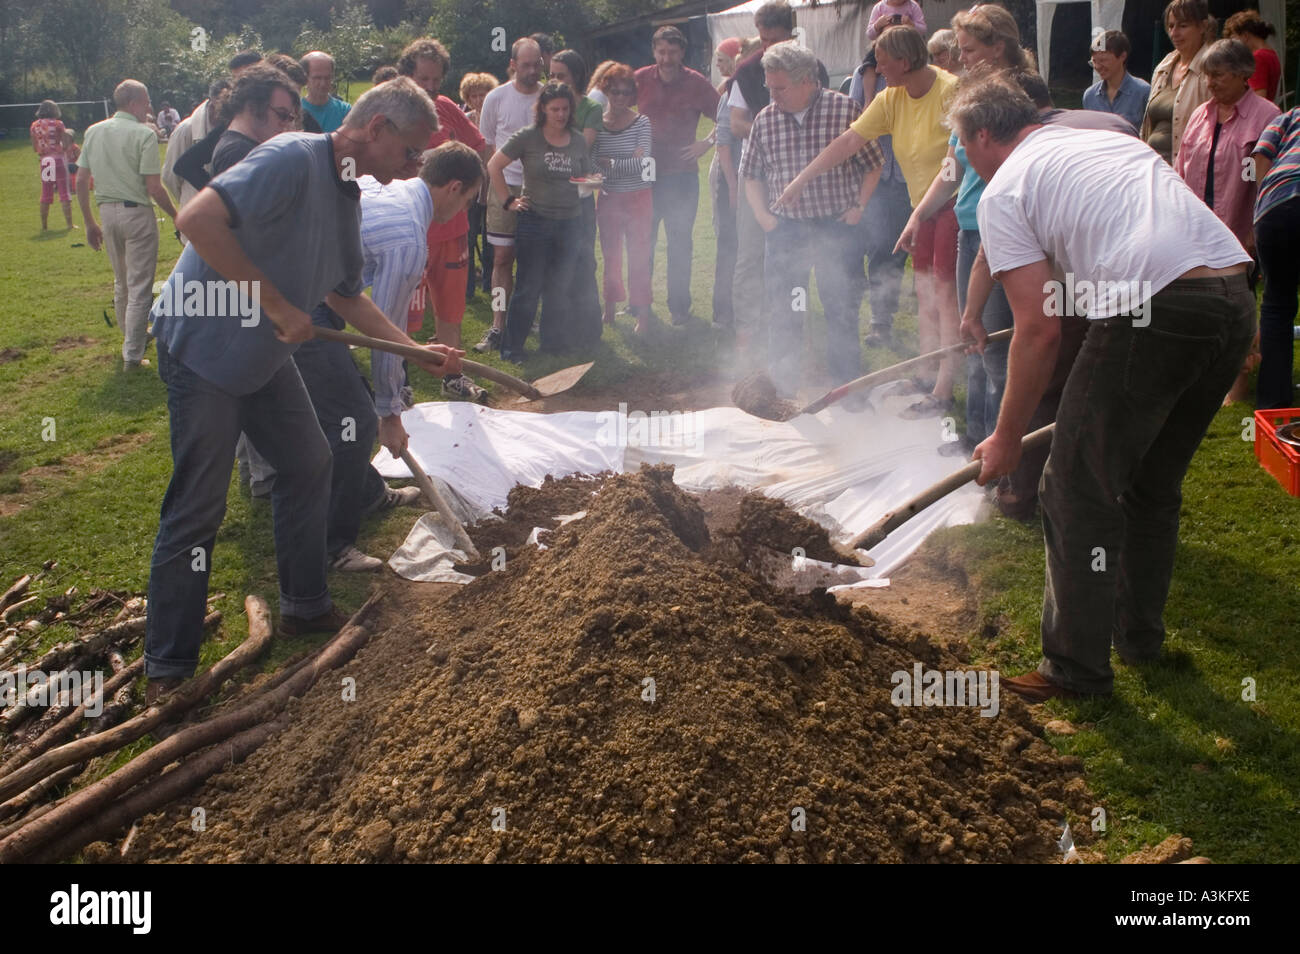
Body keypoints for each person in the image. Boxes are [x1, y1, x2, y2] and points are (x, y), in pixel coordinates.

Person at [143, 79, 463, 699]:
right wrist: (275, 302)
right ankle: (169, 666)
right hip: (205, 349)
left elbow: (346, 295)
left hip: (265, 353)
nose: (416, 165)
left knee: (310, 462)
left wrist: (413, 347)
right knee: (197, 506)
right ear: (377, 130)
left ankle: (304, 604)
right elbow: (196, 219)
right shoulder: (290, 156)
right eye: (411, 151)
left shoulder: (348, 198)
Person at [949, 74, 1253, 702]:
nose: (963, 160)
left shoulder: (1003, 190)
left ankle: (1075, 670)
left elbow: (1037, 330)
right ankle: (1137, 639)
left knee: (1074, 486)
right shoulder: (1101, 141)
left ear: (983, 135)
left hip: (1156, 305)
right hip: (1230, 296)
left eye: (962, 146)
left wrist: (1006, 439)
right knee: (1151, 484)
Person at [298, 140, 484, 571]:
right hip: (298, 304)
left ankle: (368, 493)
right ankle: (333, 545)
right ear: (454, 187)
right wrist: (390, 414)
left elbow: (389, 335)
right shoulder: (408, 238)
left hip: (319, 294)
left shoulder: (392, 190)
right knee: (353, 419)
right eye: (470, 200)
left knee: (349, 399)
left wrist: (417, 353)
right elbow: (389, 345)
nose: (464, 211)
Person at [781, 26, 961, 420]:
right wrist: (800, 180)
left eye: (882, 59)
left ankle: (944, 390)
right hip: (923, 208)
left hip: (953, 208)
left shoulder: (949, 90)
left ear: (906, 60)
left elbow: (954, 163)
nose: (875, 66)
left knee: (945, 300)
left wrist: (920, 213)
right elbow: (847, 142)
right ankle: (925, 373)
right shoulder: (891, 97)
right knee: (926, 294)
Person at [894, 5, 1032, 459]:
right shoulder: (970, 94)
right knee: (968, 334)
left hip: (1005, 228)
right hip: (968, 224)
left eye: (970, 50)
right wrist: (919, 215)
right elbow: (951, 168)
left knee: (992, 343)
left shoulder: (1023, 94)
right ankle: (974, 435)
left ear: (1000, 46)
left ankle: (1000, 443)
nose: (962, 59)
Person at [741, 42, 884, 392]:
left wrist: (860, 206)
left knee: (841, 310)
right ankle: (783, 391)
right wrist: (764, 217)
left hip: (836, 228)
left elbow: (873, 163)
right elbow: (752, 174)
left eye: (780, 88)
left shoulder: (845, 110)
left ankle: (847, 392)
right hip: (786, 231)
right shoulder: (765, 119)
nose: (773, 95)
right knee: (786, 313)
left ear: (807, 80)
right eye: (769, 87)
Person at [1176, 39, 1281, 403]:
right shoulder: (1200, 114)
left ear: (1242, 75)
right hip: (1197, 225)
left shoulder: (1267, 116)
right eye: (1207, 75)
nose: (1210, 83)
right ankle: (1199, 375)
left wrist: (1255, 228)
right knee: (1199, 300)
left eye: (1218, 75)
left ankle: (1237, 383)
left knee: (1238, 306)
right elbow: (1181, 165)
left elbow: (1268, 179)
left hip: (1240, 227)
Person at [729, 3, 829, 352]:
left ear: (791, 33)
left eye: (774, 38)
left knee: (804, 260)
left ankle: (797, 330)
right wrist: (771, 125)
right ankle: (746, 333)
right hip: (757, 175)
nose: (766, 45)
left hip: (805, 181)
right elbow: (736, 122)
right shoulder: (747, 70)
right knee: (751, 255)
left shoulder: (813, 69)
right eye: (762, 37)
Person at [397, 37, 492, 402]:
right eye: (425, 79)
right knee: (404, 312)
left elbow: (479, 146)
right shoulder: (392, 114)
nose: (432, 87)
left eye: (437, 80)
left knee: (452, 308)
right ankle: (399, 383)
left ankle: (453, 379)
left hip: (454, 229)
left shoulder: (447, 107)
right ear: (408, 76)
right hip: (413, 230)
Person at [76, 80, 179, 371]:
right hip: (137, 216)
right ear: (133, 103)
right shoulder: (143, 135)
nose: (149, 107)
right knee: (140, 287)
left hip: (106, 214)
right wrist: (176, 215)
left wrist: (88, 222)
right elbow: (154, 188)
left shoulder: (93, 132)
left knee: (122, 283)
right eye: (146, 102)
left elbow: (81, 179)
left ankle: (129, 340)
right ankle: (132, 355)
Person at [487, 82, 592, 361]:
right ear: (543, 109)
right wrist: (508, 200)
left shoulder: (578, 139)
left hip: (570, 222)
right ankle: (512, 348)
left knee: (559, 287)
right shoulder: (528, 137)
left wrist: (594, 183)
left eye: (565, 109)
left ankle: (552, 344)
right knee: (528, 288)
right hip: (535, 222)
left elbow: (584, 179)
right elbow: (493, 165)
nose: (560, 114)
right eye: (554, 109)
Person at [635, 25, 719, 327]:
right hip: (646, 175)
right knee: (643, 240)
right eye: (661, 51)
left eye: (672, 52)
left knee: (680, 243)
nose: (666, 57)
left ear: (681, 52)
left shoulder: (696, 83)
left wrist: (706, 143)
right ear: (653, 51)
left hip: (681, 177)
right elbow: (615, 107)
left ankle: (679, 308)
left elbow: (726, 115)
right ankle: (639, 305)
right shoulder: (640, 78)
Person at [475, 38, 544, 354]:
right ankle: (498, 325)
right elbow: (490, 144)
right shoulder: (496, 98)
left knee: (533, 259)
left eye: (536, 64)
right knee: (502, 259)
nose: (532, 70)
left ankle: (528, 318)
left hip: (540, 189)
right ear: (513, 65)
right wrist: (501, 189)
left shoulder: (548, 97)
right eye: (526, 64)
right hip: (503, 186)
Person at [592, 64, 655, 333]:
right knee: (611, 256)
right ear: (606, 91)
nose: (619, 97)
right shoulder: (597, 125)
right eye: (614, 92)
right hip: (608, 198)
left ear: (632, 95)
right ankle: (609, 311)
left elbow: (645, 163)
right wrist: (616, 163)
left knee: (639, 255)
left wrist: (611, 164)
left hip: (638, 197)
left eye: (626, 92)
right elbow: (592, 161)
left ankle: (643, 314)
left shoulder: (642, 122)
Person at [551, 49, 605, 349]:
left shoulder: (590, 109)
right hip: (550, 197)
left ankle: (587, 330)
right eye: (552, 75)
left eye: (561, 76)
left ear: (576, 77)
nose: (555, 81)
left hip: (580, 196)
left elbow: (579, 148)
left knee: (583, 259)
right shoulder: (546, 105)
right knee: (556, 262)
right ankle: (560, 331)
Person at [1252, 107, 1300, 409]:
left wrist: (1263, 203)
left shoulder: (1290, 116)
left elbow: (1261, 157)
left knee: (1276, 306)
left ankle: (1273, 404)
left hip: (1276, 206)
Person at [709, 37, 752, 334]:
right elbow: (723, 143)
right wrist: (734, 186)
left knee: (750, 250)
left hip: (756, 183)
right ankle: (723, 315)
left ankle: (752, 312)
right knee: (730, 247)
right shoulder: (732, 92)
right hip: (733, 180)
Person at [1142, 0, 1214, 165]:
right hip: (1154, 166)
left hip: (1189, 168)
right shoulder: (1165, 65)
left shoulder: (1212, 67)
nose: (1174, 33)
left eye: (1183, 26)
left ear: (1203, 26)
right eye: (1171, 26)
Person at [163, 79, 231, 216]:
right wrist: (187, 199)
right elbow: (170, 175)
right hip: (194, 207)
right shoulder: (185, 129)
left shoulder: (230, 128)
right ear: (212, 102)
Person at [459, 71, 499, 299]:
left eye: (482, 94)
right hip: (472, 183)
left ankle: (489, 282)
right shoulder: (465, 120)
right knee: (469, 235)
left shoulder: (496, 118)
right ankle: (467, 289)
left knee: (491, 237)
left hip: (493, 182)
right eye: (473, 95)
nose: (478, 99)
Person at [859, 0, 927, 108]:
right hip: (882, 47)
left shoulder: (912, 6)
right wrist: (877, 25)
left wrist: (911, 24)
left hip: (905, 47)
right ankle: (868, 100)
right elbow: (870, 34)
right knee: (868, 66)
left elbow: (923, 29)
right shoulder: (879, 7)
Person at [1082, 30, 1150, 131]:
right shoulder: (1090, 96)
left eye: (1103, 60)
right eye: (1094, 62)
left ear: (1122, 56)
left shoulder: (1143, 92)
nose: (1097, 67)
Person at [30, 100, 75, 230]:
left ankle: (44, 226)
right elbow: (65, 141)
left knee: (46, 193)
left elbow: (35, 148)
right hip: (59, 160)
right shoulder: (58, 123)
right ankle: (69, 224)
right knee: (64, 192)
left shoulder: (34, 125)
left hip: (45, 161)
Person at [1224, 10, 1281, 102]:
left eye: (1234, 39)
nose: (1233, 45)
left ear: (1245, 36)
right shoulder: (1271, 53)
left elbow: (1259, 98)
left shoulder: (1258, 58)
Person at [300, 51, 351, 132]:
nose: (323, 83)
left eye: (327, 78)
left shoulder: (345, 111)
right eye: (317, 78)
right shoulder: (295, 112)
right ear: (305, 78)